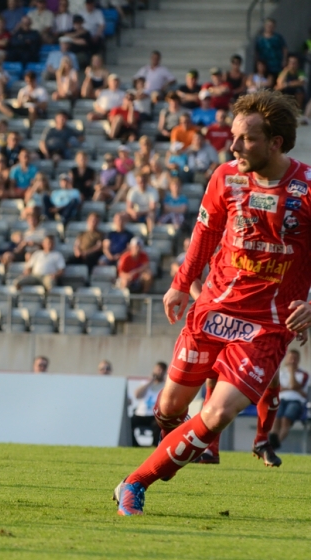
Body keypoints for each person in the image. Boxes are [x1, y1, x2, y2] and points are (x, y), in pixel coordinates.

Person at [113, 90, 311, 517]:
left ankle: (135, 483)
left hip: (267, 326)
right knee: (169, 409)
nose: (234, 146)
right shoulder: (225, 177)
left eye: (246, 139)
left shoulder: (307, 190)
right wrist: (181, 284)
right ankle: (178, 448)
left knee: (217, 412)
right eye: (234, 137)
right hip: (213, 310)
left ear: (276, 142)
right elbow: (204, 233)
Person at [270, 349, 308, 448]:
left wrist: (292, 373)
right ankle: (272, 442)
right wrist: (294, 388)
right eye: (291, 358)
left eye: (295, 359)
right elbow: (278, 389)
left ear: (298, 360)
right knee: (275, 419)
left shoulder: (304, 375)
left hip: (296, 402)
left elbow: (294, 385)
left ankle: (274, 444)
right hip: (281, 400)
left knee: (285, 420)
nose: (292, 361)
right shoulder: (280, 373)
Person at [130, 362, 166, 446]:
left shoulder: (165, 386)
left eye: (162, 370)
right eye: (158, 369)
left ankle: (154, 445)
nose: (159, 372)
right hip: (141, 414)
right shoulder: (145, 383)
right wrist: (150, 382)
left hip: (154, 415)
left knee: (159, 425)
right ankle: (134, 445)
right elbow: (137, 395)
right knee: (129, 423)